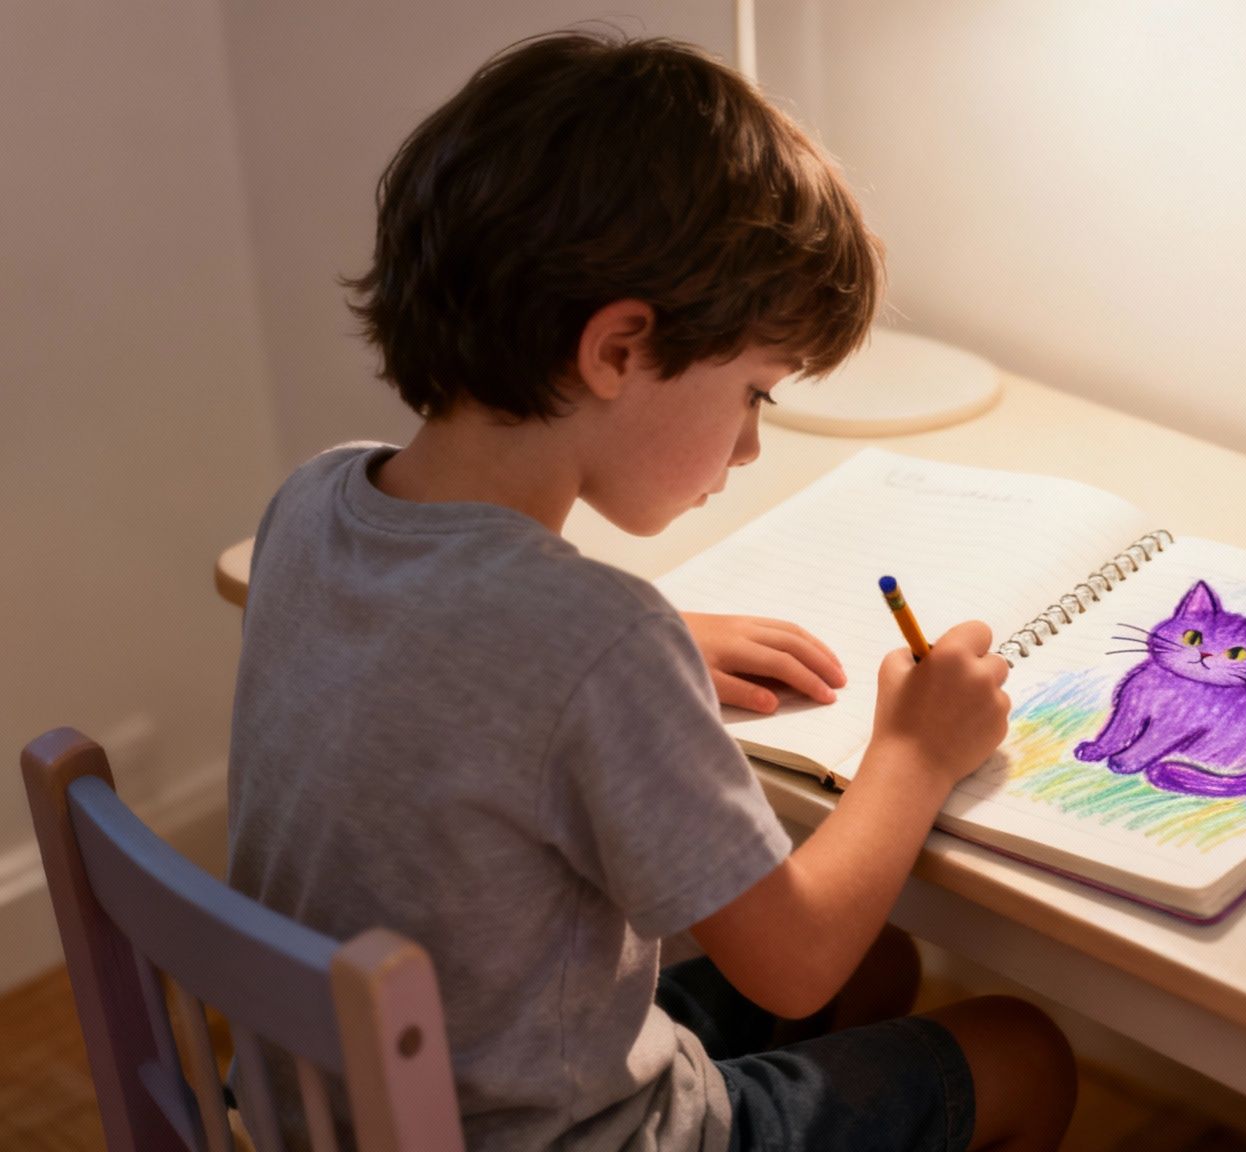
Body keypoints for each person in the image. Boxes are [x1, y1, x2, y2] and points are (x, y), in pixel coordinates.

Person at [227, 29, 1076, 1152]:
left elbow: (447, 641)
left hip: (327, 1112)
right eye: (756, 395)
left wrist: (652, 633)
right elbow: (795, 953)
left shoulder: (311, 501)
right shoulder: (596, 645)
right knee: (1022, 1049)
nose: (748, 450)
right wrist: (913, 752)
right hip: (557, 1134)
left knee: (887, 964)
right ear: (619, 350)